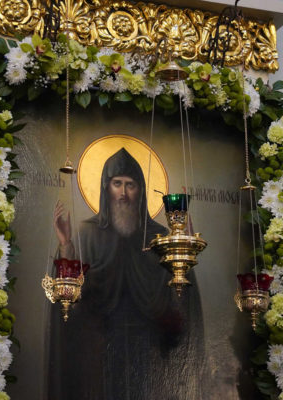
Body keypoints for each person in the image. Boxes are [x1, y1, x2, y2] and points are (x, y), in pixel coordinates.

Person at [47, 148, 205, 400]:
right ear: (105, 188)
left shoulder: (159, 237)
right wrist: (66, 244)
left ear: (141, 190)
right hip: (100, 349)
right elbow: (70, 294)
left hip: (150, 350)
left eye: (130, 185)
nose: (123, 194)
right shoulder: (87, 233)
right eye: (117, 183)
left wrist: (181, 248)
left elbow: (181, 298)